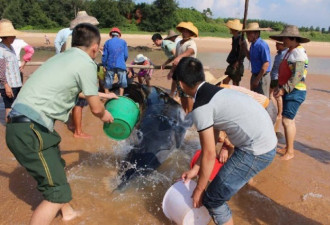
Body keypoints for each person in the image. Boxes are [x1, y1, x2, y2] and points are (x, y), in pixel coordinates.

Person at [6, 23, 116, 225]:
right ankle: (59, 206)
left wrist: (102, 94)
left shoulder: (61, 58)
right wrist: (106, 115)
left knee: (56, 168)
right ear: (94, 48)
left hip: (22, 125)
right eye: (99, 49)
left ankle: (68, 213)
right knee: (57, 192)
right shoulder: (87, 63)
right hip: (31, 129)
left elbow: (70, 89)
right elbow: (96, 109)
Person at [176, 57, 277, 225]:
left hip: (256, 151)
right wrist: (195, 170)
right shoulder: (217, 91)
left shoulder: (201, 107)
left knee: (212, 199)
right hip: (265, 141)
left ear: (181, 84)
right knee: (217, 191)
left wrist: (200, 189)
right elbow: (213, 141)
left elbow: (209, 153)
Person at [270, 25, 309, 160]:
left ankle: (290, 152)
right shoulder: (290, 51)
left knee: (287, 121)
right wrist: (279, 87)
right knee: (288, 120)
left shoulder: (298, 53)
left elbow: (297, 75)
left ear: (292, 39)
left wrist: (283, 89)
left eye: (285, 38)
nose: (283, 41)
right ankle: (288, 146)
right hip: (289, 90)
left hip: (296, 91)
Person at [61, 11, 100, 138]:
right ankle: (78, 131)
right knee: (79, 104)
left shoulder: (69, 39)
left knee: (75, 101)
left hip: (68, 73)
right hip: (77, 74)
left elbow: (62, 54)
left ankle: (73, 124)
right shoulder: (83, 43)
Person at [169, 22, 198, 114]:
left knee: (188, 95)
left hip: (188, 72)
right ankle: (185, 113)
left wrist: (179, 57)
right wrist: (172, 71)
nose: (185, 32)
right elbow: (176, 58)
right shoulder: (179, 43)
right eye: (184, 31)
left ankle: (190, 114)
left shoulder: (191, 43)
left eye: (187, 31)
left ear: (191, 33)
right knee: (182, 94)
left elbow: (190, 51)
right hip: (180, 72)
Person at [0, 19, 22, 122]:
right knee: (9, 108)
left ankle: (13, 128)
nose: (14, 37)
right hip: (9, 85)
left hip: (16, 83)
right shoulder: (1, 50)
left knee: (15, 107)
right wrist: (6, 85)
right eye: (11, 36)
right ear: (5, 36)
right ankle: (9, 129)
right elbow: (0, 70)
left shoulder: (11, 47)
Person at [241, 22, 272, 97]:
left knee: (263, 99)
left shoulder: (262, 45)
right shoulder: (253, 45)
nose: (247, 36)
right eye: (247, 34)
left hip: (262, 77)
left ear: (256, 34)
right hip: (255, 75)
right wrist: (244, 48)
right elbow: (251, 59)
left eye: (249, 34)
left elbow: (266, 64)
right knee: (253, 98)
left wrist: (257, 79)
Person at [102, 27, 128, 96]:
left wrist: (104, 65)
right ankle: (121, 95)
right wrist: (122, 61)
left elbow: (105, 55)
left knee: (108, 81)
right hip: (121, 64)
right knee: (122, 81)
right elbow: (126, 55)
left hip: (110, 64)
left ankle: (106, 95)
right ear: (119, 35)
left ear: (111, 35)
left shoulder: (107, 42)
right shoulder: (123, 42)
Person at [270, 41, 288, 137]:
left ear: (283, 45)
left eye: (278, 44)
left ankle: (279, 114)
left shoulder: (285, 54)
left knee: (277, 96)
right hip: (273, 76)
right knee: (271, 95)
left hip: (278, 78)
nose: (276, 45)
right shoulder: (279, 54)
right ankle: (275, 110)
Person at [223, 19, 246, 86]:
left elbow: (244, 52)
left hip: (237, 64)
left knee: (235, 83)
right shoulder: (235, 38)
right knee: (225, 80)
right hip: (232, 63)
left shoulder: (241, 39)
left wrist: (237, 62)